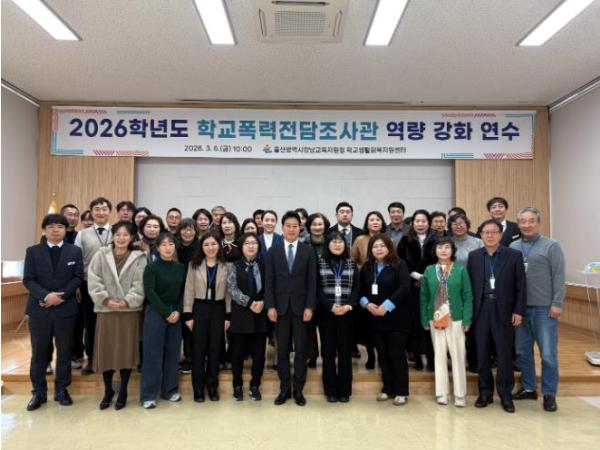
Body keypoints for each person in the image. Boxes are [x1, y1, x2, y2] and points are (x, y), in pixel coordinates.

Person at [23, 214, 83, 411]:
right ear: (44, 230)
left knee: (64, 352)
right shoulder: (33, 251)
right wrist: (46, 296)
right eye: (51, 226)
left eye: (60, 226)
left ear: (65, 230)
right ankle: (38, 393)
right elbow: (28, 279)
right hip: (39, 310)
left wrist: (61, 296)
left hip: (66, 310)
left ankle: (61, 390)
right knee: (39, 353)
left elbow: (78, 277)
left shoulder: (75, 251)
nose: (55, 230)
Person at [467, 219, 526, 413]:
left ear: (501, 235)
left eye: (494, 232)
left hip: (504, 310)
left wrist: (518, 311)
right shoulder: (474, 256)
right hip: (481, 309)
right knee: (482, 354)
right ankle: (485, 392)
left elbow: (521, 286)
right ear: (481, 235)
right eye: (486, 232)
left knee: (504, 354)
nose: (490, 235)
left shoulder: (513, 255)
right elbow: (469, 287)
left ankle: (505, 394)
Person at [87, 221, 146, 410]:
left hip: (128, 312)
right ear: (112, 236)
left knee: (126, 352)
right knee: (107, 351)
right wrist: (105, 300)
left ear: (132, 237)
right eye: (118, 234)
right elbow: (94, 280)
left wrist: (127, 301)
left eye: (125, 235)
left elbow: (140, 284)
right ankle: (108, 391)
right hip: (106, 311)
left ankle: (123, 391)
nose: (121, 238)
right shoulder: (101, 255)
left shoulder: (139, 257)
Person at [511, 207, 565, 412]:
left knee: (548, 354)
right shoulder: (514, 246)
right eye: (523, 221)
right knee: (522, 351)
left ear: (538, 222)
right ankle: (528, 388)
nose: (527, 225)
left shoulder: (551, 246)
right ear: (518, 224)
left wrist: (557, 303)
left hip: (544, 309)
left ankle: (549, 394)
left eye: (531, 221)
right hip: (520, 309)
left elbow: (559, 276)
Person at [265, 211, 317, 406]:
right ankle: (284, 389)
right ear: (282, 227)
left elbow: (312, 281)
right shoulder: (274, 251)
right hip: (279, 309)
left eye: (295, 226)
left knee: (301, 350)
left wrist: (310, 306)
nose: (292, 229)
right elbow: (269, 281)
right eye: (288, 225)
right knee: (282, 351)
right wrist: (270, 306)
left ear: (300, 228)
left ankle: (299, 390)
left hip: (301, 308)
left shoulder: (307, 251)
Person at [420, 237, 473, 407]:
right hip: (435, 318)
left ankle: (460, 395)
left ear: (452, 250)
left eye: (447, 247)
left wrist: (467, 318)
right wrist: (424, 318)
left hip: (456, 319)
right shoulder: (429, 270)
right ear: (435, 251)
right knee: (439, 356)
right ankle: (442, 393)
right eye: (440, 247)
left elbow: (467, 296)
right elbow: (424, 296)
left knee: (458, 356)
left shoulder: (461, 270)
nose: (443, 250)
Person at [359, 234, 411, 405]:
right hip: (375, 318)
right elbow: (359, 290)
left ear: (389, 247)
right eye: (375, 246)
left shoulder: (399, 264)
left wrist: (386, 306)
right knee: (382, 355)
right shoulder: (367, 267)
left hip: (396, 319)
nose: (379, 249)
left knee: (396, 355)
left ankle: (401, 391)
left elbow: (404, 288)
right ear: (370, 250)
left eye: (382, 246)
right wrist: (367, 304)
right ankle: (387, 388)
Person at [183, 232, 231, 402]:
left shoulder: (226, 266)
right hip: (199, 309)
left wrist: (228, 316)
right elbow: (189, 290)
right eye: (206, 244)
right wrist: (188, 315)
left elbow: (228, 293)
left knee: (214, 350)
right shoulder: (194, 265)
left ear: (219, 246)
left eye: (213, 244)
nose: (210, 248)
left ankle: (212, 387)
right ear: (201, 247)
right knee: (198, 350)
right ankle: (198, 388)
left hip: (218, 309)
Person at [140, 232, 186, 409]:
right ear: (157, 248)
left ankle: (169, 390)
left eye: (171, 244)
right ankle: (148, 395)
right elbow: (150, 292)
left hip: (175, 313)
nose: (168, 248)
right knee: (153, 354)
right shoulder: (151, 268)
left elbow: (184, 292)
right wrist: (167, 312)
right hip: (156, 312)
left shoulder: (180, 268)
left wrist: (178, 311)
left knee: (173, 353)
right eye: (164, 245)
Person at [317, 231, 359, 403]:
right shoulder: (319, 263)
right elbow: (317, 289)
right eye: (333, 242)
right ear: (327, 245)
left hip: (346, 314)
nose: (337, 244)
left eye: (340, 241)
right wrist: (330, 306)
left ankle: (344, 391)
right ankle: (331, 391)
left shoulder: (351, 263)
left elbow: (357, 288)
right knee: (328, 353)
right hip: (326, 314)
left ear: (345, 245)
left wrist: (348, 306)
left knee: (345, 353)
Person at [226, 232, 269, 401]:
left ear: (259, 246)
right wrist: (250, 303)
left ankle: (254, 385)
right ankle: (237, 385)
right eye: (247, 243)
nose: (251, 246)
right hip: (241, 314)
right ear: (241, 247)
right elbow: (232, 289)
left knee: (259, 354)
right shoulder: (233, 265)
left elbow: (270, 286)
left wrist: (263, 302)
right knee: (237, 354)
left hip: (260, 314)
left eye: (254, 243)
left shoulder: (264, 264)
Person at [74, 197, 113, 374]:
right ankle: (91, 358)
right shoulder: (82, 234)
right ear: (91, 212)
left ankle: (110, 358)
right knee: (90, 323)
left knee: (111, 323)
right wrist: (77, 286)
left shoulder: (119, 231)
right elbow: (77, 261)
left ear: (109, 211)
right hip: (88, 284)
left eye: (104, 209)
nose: (100, 212)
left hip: (114, 285)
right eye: (97, 209)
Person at [397, 209, 437, 371]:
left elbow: (441, 259)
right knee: (414, 324)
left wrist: (427, 276)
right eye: (417, 221)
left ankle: (432, 358)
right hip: (411, 287)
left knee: (432, 321)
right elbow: (400, 261)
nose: (420, 224)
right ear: (412, 223)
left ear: (429, 223)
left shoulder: (437, 240)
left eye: (424, 221)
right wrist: (415, 275)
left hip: (433, 285)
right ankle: (417, 358)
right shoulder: (405, 240)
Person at [350, 211, 387, 369]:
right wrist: (362, 269)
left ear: (382, 222)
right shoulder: (360, 239)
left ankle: (383, 355)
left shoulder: (387, 239)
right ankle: (371, 354)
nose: (375, 222)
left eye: (378, 219)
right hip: (365, 282)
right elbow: (352, 259)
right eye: (371, 219)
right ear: (367, 223)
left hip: (385, 283)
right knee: (367, 322)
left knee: (382, 319)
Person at [448, 213, 483, 373]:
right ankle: (456, 361)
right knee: (454, 325)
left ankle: (473, 360)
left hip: (474, 287)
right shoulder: (447, 242)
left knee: (473, 326)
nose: (458, 226)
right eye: (454, 224)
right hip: (452, 289)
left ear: (467, 225)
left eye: (461, 223)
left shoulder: (477, 242)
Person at [175, 218, 202, 374]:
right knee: (177, 326)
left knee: (190, 326)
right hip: (176, 290)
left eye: (190, 229)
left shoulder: (200, 246)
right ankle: (176, 358)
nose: (187, 232)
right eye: (184, 229)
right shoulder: (174, 246)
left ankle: (191, 358)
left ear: (195, 231)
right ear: (179, 231)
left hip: (195, 290)